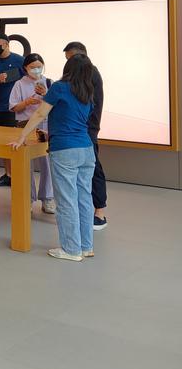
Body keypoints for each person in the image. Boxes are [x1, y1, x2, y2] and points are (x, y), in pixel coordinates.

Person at [12, 53, 96, 261]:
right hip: (86, 149)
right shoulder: (88, 92)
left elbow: (40, 113)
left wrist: (22, 136)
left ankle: (71, 249)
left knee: (66, 200)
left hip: (65, 149)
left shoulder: (59, 87)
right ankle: (86, 246)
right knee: (84, 198)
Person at [64, 42, 107, 230]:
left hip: (87, 129)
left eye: (70, 59)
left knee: (93, 168)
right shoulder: (85, 74)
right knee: (84, 172)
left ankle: (99, 212)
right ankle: (87, 211)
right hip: (81, 129)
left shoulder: (90, 74)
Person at [9, 53, 55, 213]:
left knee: (47, 164)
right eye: (32, 67)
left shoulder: (50, 83)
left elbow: (56, 105)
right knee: (25, 165)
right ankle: (28, 198)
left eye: (39, 66)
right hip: (25, 127)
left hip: (46, 128)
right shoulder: (19, 84)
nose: (36, 70)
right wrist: (27, 102)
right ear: (25, 68)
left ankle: (47, 198)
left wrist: (45, 94)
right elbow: (13, 107)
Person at [0, 33, 25, 187]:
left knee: (14, 142)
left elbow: (27, 79)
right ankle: (8, 174)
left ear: (7, 44)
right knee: (2, 143)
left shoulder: (19, 60)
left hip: (15, 108)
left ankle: (17, 173)